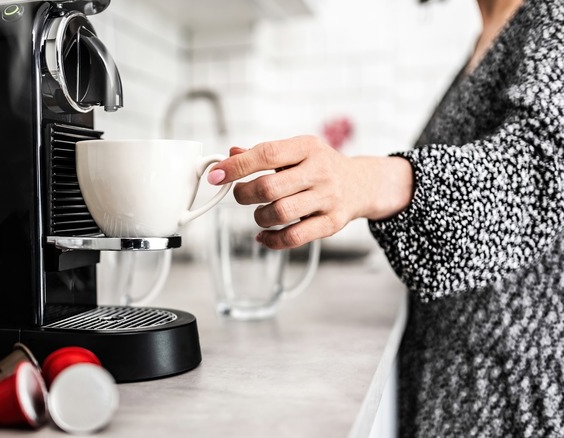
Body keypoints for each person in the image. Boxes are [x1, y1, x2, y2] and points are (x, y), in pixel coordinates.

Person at [207, 0, 564, 436]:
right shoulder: (481, 43)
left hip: (507, 399)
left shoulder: (553, 16)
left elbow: (540, 172)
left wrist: (366, 181)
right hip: (449, 378)